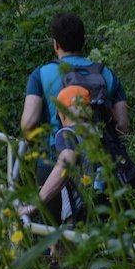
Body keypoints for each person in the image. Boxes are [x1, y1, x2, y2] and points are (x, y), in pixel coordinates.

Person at [20, 12, 130, 149]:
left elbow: (29, 124)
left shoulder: (41, 75)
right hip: (101, 160)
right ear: (84, 41)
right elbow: (123, 125)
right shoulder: (106, 74)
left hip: (56, 161)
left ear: (56, 44)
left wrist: (36, 143)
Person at [19, 85, 97, 225]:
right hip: (110, 209)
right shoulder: (99, 132)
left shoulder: (67, 134)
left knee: (62, 244)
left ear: (63, 114)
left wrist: (36, 204)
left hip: (83, 218)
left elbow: (66, 164)